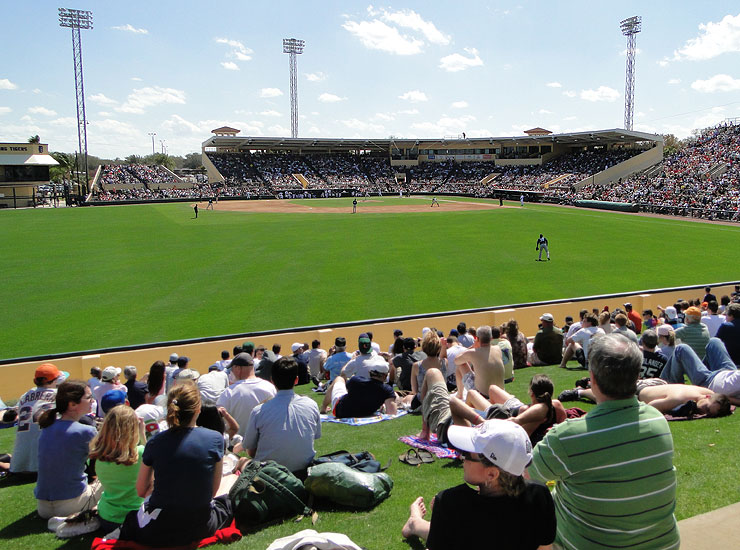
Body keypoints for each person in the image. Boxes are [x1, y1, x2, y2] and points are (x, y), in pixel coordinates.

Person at [529, 334, 679, 549]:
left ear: (593, 379)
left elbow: (526, 477)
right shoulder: (657, 420)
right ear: (638, 376)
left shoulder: (567, 438)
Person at [401, 419, 555, 550]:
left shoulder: (452, 502)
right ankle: (416, 523)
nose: (461, 457)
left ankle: (415, 523)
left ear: (492, 474)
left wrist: (442, 516)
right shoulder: (538, 495)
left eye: (467, 453)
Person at [118, 383, 233, 547]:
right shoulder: (214, 438)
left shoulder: (155, 442)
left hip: (159, 527)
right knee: (229, 489)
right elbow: (212, 491)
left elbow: (141, 490)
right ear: (198, 408)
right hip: (200, 525)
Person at [244, 357, 321, 479]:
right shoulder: (311, 405)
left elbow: (251, 451)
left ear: (272, 381)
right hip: (303, 473)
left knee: (242, 461)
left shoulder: (259, 411)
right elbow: (314, 436)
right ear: (296, 380)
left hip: (269, 476)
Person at [35, 380, 101, 520]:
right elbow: (108, 460)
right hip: (72, 503)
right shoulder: (86, 431)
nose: (92, 401)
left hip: (43, 507)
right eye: (88, 397)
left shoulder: (47, 428)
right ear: (72, 404)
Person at [89, 404, 147, 534]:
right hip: (135, 518)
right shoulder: (141, 453)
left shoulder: (97, 455)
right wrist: (143, 436)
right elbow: (156, 464)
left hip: (107, 517)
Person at [10, 363, 62, 475]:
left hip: (18, 465)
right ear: (55, 379)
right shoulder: (59, 394)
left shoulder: (25, 395)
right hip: (47, 464)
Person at [660, 337, 740, 404]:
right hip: (729, 373)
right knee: (714, 342)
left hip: (709, 383)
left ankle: (666, 388)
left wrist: (725, 398)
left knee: (681, 349)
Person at [216, 352, 276, 438]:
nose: (231, 371)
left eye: (232, 368)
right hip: (265, 441)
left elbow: (218, 419)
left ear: (238, 368)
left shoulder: (229, 392)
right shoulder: (270, 387)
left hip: (238, 444)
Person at [321, 362, 396, 418]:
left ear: (370, 373)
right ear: (385, 375)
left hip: (341, 411)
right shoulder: (387, 390)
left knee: (339, 379)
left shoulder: (356, 381)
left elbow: (343, 374)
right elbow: (392, 413)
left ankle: (323, 409)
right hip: (366, 413)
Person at [455, 326, 505, 396]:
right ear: (491, 338)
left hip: (482, 395)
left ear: (477, 339)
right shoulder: (498, 349)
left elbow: (456, 360)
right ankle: (459, 394)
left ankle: (459, 395)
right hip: (500, 392)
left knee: (461, 364)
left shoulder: (473, 352)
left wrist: (473, 346)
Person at [636, 380, 731, 417]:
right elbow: (648, 408)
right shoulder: (678, 400)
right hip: (639, 390)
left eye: (709, 414)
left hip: (660, 384)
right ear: (707, 397)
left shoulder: (710, 393)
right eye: (706, 408)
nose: (704, 413)